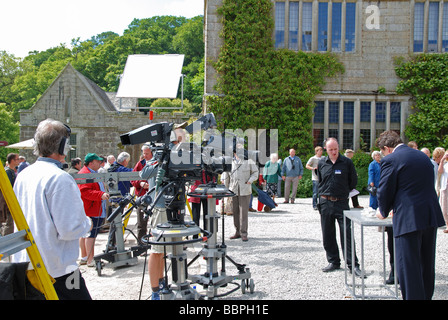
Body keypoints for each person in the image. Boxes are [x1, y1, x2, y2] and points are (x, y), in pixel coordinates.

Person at [11, 119, 92, 299]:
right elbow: (70, 229)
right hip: (59, 270)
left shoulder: (24, 175)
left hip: (27, 265)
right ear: (63, 146)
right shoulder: (60, 179)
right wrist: (88, 224)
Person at [376, 130, 445, 300]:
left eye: (383, 152)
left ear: (387, 148)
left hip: (408, 218)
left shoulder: (390, 160)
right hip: (429, 215)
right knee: (426, 264)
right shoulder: (422, 157)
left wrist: (382, 210)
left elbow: (384, 190)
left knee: (408, 267)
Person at [139, 124, 187, 300]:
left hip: (175, 206)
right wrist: (161, 160)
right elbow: (143, 174)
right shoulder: (160, 156)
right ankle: (155, 291)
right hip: (160, 208)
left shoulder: (179, 154)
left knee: (172, 250)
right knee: (157, 251)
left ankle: (165, 283)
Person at [317, 137, 363, 277]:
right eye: (330, 149)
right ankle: (333, 261)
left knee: (347, 234)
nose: (334, 152)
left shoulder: (347, 162)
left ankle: (353, 265)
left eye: (335, 149)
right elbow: (320, 180)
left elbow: (352, 181)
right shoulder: (321, 163)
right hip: (325, 202)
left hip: (342, 202)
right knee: (328, 233)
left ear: (339, 147)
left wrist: (342, 193)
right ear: (326, 149)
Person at [78, 153, 110, 267]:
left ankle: (84, 257)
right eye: (97, 161)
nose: (100, 163)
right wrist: (100, 195)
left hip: (92, 208)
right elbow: (85, 192)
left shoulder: (91, 173)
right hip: (91, 209)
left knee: (85, 234)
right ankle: (90, 260)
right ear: (91, 163)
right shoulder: (85, 174)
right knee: (91, 235)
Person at [228, 145, 258, 242]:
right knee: (235, 212)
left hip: (245, 189)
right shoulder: (230, 162)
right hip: (234, 190)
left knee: (243, 213)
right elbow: (227, 176)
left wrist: (250, 180)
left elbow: (255, 172)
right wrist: (226, 189)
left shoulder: (248, 161)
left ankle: (244, 233)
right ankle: (237, 232)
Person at [132, 144, 154, 242]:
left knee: (157, 222)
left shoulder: (158, 163)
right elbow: (132, 178)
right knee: (141, 223)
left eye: (147, 153)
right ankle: (141, 245)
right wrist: (140, 183)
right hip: (142, 197)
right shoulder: (140, 164)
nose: (145, 156)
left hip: (155, 197)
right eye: (144, 153)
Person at [1, 153, 20, 236]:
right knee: (9, 223)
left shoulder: (10, 171)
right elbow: (7, 188)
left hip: (10, 200)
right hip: (8, 201)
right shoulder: (8, 172)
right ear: (12, 160)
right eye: (17, 159)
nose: (19, 161)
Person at [438, 151, 448, 233]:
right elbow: (440, 171)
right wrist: (442, 160)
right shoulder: (445, 164)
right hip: (444, 187)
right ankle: (447, 225)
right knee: (444, 207)